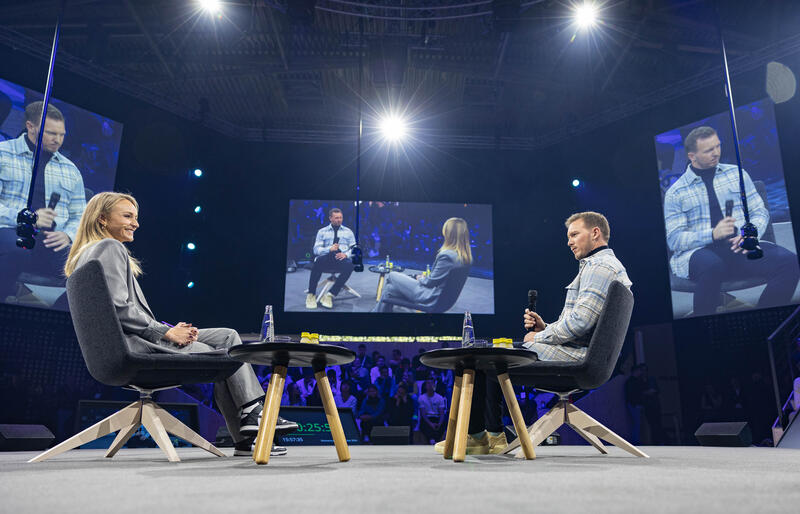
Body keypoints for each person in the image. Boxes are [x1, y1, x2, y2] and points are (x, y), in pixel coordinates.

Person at [63, 192, 296, 456]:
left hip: (137, 341)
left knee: (228, 337)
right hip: (136, 350)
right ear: (102, 219)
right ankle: (254, 417)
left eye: (136, 217)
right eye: (127, 216)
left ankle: (246, 435)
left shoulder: (87, 256)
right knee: (225, 355)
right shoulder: (109, 247)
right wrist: (167, 332)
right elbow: (119, 308)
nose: (136, 223)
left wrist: (169, 328)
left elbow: (118, 311)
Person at [663, 126, 800, 316]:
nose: (716, 153)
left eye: (717, 146)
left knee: (790, 263)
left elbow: (760, 212)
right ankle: (705, 328)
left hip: (739, 246)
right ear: (692, 156)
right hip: (699, 253)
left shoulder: (737, 174)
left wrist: (749, 234)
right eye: (709, 150)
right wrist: (712, 234)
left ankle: (762, 318)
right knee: (712, 265)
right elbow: (675, 239)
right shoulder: (675, 193)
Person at [0, 102, 86, 301]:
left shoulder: (70, 170)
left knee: (86, 266)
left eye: (62, 135)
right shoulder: (3, 154)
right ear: (31, 127)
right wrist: (27, 218)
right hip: (8, 229)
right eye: (51, 133)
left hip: (50, 240)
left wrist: (68, 235)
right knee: (17, 251)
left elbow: (80, 215)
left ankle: (50, 316)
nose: (58, 140)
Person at [522, 211, 632, 361]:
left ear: (595, 233)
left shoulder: (599, 266)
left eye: (574, 235)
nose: (569, 242)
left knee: (501, 356)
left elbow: (580, 322)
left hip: (581, 357)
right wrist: (545, 328)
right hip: (583, 353)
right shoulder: (602, 265)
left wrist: (538, 337)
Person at [373, 217, 471, 313]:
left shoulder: (447, 256)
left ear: (449, 234)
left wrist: (420, 278)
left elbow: (430, 282)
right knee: (390, 290)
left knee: (392, 275)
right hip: (442, 299)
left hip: (430, 298)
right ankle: (378, 314)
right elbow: (439, 279)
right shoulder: (465, 257)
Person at [306, 207, 355, 309]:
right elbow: (316, 250)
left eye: (341, 218)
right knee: (318, 261)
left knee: (350, 265)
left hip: (340, 257)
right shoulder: (322, 232)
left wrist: (346, 255)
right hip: (326, 258)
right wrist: (329, 249)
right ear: (330, 218)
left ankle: (330, 295)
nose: (339, 220)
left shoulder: (348, 232)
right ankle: (311, 295)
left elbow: (355, 248)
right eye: (336, 218)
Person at [418, 379, 447, 444]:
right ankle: (432, 439)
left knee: (443, 424)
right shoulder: (421, 398)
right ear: (425, 386)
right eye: (428, 383)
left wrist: (439, 423)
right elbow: (423, 414)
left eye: (432, 383)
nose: (430, 385)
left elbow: (442, 413)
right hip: (427, 418)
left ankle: (435, 440)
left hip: (437, 418)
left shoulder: (440, 398)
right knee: (425, 424)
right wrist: (431, 424)